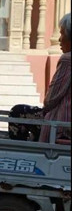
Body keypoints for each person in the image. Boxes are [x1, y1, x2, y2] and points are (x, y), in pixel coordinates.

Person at [39, 13, 71, 142]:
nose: (59, 40)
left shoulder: (67, 60)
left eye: (62, 34)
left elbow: (50, 99)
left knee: (18, 111)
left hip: (62, 125)